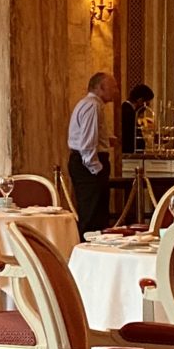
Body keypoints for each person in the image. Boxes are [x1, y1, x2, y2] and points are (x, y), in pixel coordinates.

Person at [68, 69, 118, 235]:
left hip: (86, 163)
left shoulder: (89, 104)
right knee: (92, 216)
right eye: (113, 87)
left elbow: (88, 135)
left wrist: (106, 140)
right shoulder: (92, 106)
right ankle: (89, 252)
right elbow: (87, 143)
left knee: (95, 213)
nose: (116, 91)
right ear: (100, 87)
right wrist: (96, 168)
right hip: (88, 167)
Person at [121, 83, 153, 155]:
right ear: (140, 100)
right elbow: (130, 138)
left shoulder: (127, 109)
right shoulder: (128, 112)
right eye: (147, 104)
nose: (147, 107)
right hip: (129, 155)